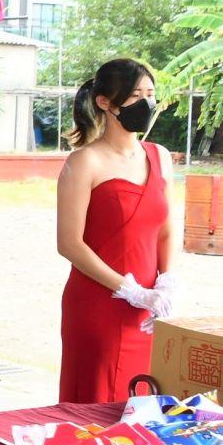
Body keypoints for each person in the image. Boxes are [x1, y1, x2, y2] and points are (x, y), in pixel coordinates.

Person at [57, 59, 176, 404]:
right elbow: (69, 243)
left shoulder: (160, 157)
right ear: (105, 102)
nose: (146, 103)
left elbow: (166, 228)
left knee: (145, 399)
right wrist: (129, 290)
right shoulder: (85, 161)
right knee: (99, 400)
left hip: (150, 307)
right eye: (136, 96)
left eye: (150, 94)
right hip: (100, 302)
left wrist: (166, 282)